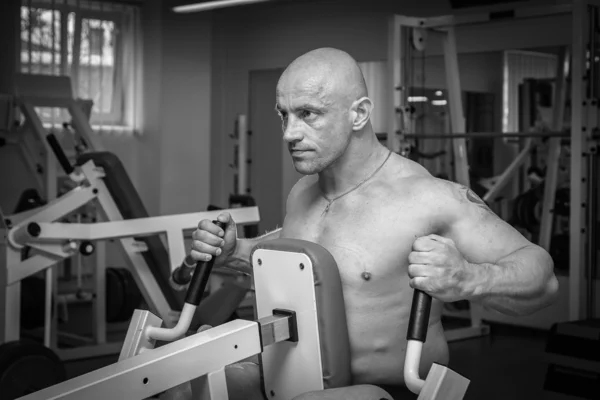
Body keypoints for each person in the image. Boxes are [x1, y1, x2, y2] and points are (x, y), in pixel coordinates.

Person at [189, 48, 559, 400]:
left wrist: (468, 279)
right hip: (295, 381)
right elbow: (312, 264)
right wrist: (234, 251)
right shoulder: (303, 192)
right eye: (284, 115)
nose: (289, 133)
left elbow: (542, 277)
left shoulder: (428, 198)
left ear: (359, 114)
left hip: (386, 392)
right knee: (186, 379)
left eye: (308, 114)